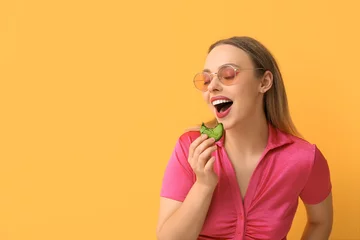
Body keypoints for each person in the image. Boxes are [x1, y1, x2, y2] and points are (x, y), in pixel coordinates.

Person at [156, 36, 333, 240]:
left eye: (228, 75)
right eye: (206, 79)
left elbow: (321, 221)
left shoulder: (304, 159)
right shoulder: (190, 147)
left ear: (264, 82)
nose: (212, 86)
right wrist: (203, 185)